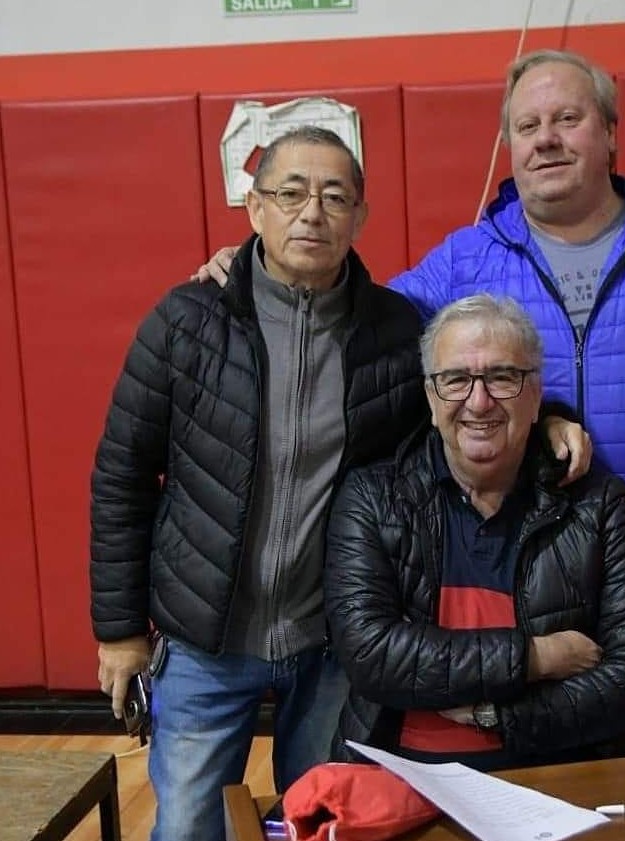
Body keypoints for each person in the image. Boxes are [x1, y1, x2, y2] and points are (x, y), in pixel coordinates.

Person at [196, 49, 625, 750]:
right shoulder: (468, 257)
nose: (545, 138)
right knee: (539, 769)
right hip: (535, 576)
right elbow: (359, 319)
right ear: (507, 145)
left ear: (608, 132)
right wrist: (257, 269)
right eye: (526, 124)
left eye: (567, 119)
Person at [89, 126, 429, 841]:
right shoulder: (185, 322)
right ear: (254, 208)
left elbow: (466, 410)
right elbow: (122, 475)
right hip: (204, 640)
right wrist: (119, 632)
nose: (312, 212)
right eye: (292, 192)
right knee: (185, 829)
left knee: (327, 824)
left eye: (335, 196)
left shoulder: (398, 334)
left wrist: (549, 417)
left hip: (335, 640)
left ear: (360, 217)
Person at [323, 294, 625, 770]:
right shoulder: (372, 499)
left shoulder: (600, 506)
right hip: (396, 776)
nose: (479, 401)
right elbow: (372, 654)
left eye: (503, 377)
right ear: (430, 397)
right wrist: (534, 657)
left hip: (552, 779)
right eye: (456, 379)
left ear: (536, 397)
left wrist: (498, 716)